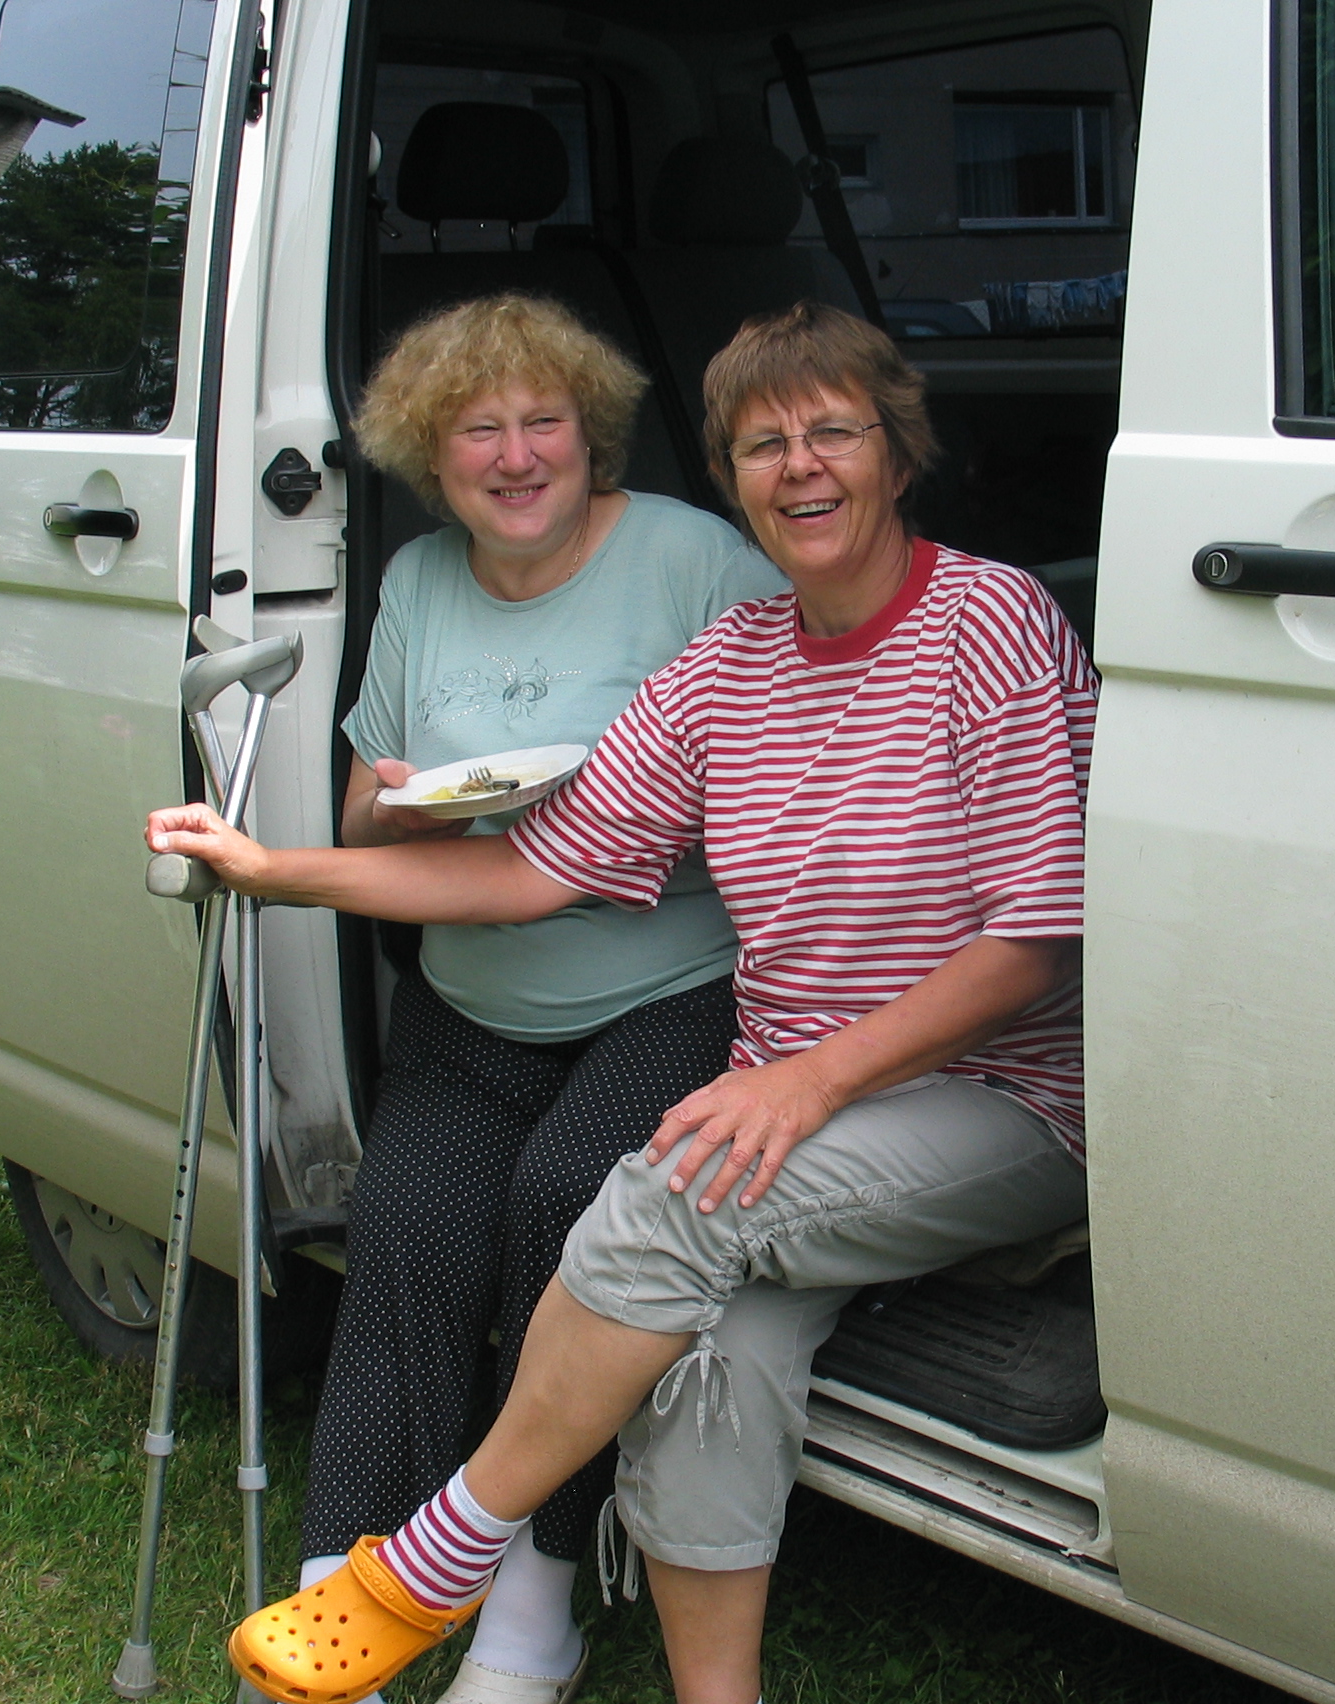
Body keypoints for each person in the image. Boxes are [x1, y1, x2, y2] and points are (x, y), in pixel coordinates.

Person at [147, 301, 1097, 1704]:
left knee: (670, 1196)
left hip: (993, 1100)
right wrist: (272, 867)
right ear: (731, 483)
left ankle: (437, 1558)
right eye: (763, 445)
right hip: (799, 1115)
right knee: (709, 1358)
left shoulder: (989, 621)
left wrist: (807, 1079)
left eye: (834, 432)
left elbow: (1034, 945)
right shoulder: (724, 669)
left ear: (899, 456)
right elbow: (528, 872)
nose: (801, 466)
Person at [294, 291, 783, 1704]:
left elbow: (786, 787)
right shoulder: (417, 581)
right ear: (428, 457)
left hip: (670, 989)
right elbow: (362, 813)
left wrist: (616, 821)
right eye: (477, 432)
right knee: (407, 1227)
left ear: (591, 434)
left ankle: (530, 1610)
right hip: (471, 1001)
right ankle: (332, 1600)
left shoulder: (695, 561)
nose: (515, 457)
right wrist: (414, 807)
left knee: (566, 1213)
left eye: (543, 422)